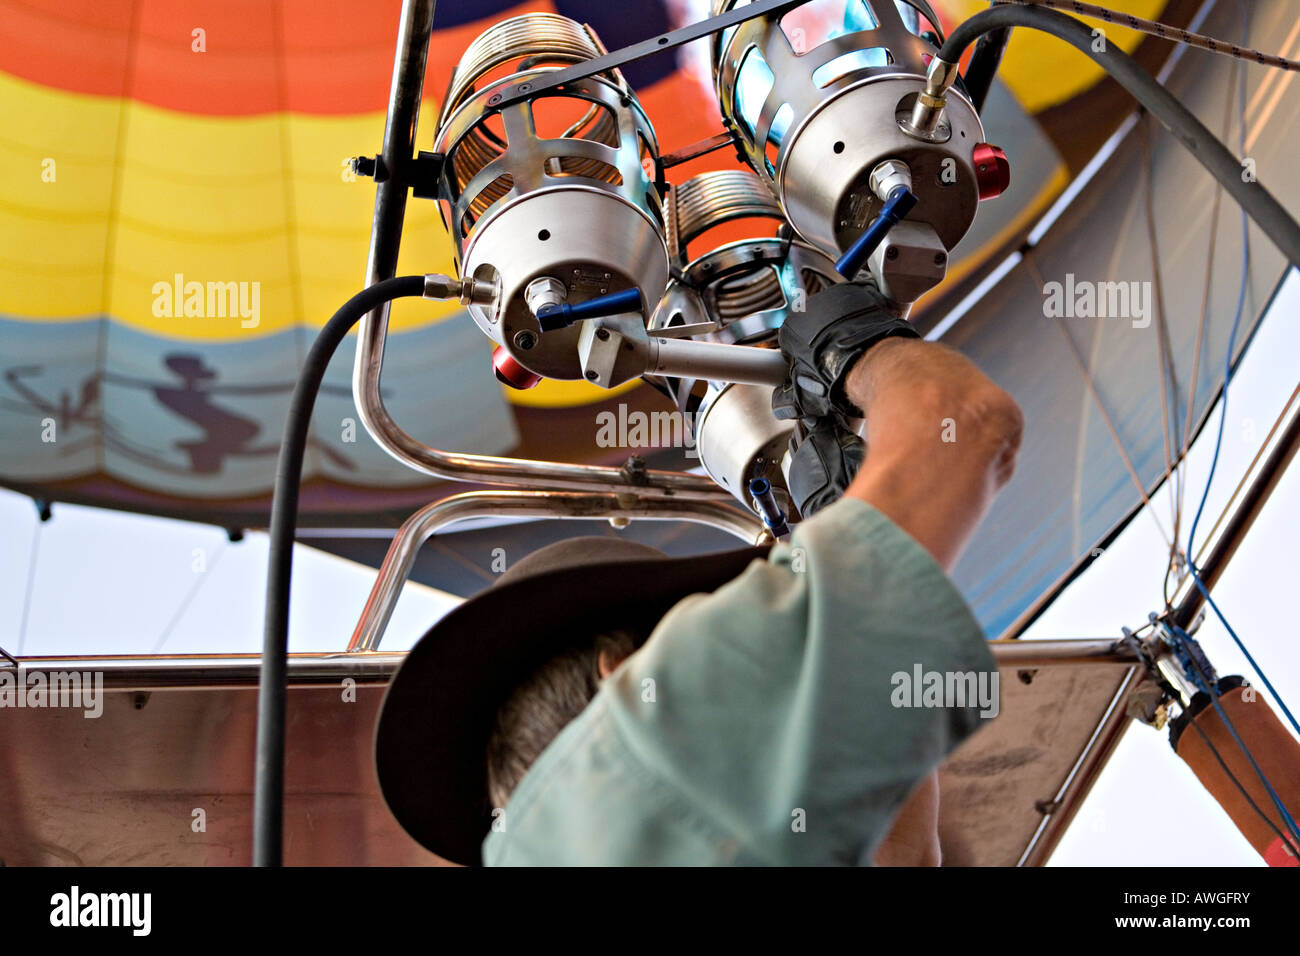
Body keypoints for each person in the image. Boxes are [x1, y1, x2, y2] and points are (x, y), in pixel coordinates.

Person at [375, 280, 1024, 865]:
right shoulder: (641, 754)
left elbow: (897, 847)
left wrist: (848, 540)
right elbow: (962, 418)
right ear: (624, 677)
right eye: (705, 631)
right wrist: (852, 346)